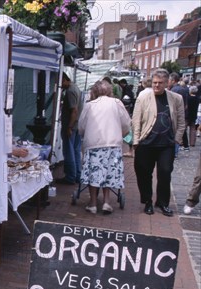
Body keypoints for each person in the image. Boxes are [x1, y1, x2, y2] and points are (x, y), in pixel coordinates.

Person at [132, 68, 186, 216]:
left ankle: (162, 202)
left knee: (165, 172)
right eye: (154, 82)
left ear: (167, 83)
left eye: (160, 83)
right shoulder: (143, 97)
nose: (156, 86)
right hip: (146, 143)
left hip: (166, 144)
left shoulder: (176, 98)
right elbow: (136, 120)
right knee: (143, 172)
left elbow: (181, 122)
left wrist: (177, 139)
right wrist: (135, 142)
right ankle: (147, 201)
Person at [78, 80, 131, 214]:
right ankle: (107, 202)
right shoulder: (117, 103)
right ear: (109, 91)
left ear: (94, 92)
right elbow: (126, 123)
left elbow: (81, 126)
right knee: (108, 172)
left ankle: (93, 203)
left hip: (94, 144)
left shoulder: (89, 105)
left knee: (93, 173)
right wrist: (121, 133)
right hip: (112, 143)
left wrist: (84, 133)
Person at [57, 72, 82, 185]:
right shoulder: (76, 88)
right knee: (76, 151)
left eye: (60, 82)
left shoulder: (70, 91)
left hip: (72, 125)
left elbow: (74, 110)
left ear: (65, 80)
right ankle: (77, 175)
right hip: (77, 125)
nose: (60, 85)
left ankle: (71, 176)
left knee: (69, 151)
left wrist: (69, 127)